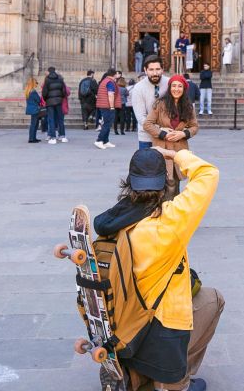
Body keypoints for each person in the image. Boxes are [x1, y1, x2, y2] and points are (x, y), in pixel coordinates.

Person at [93, 146, 224, 391]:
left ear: (129, 182)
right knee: (213, 299)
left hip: (125, 324)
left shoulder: (114, 221)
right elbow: (208, 174)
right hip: (162, 328)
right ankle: (176, 382)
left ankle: (134, 375)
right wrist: (174, 154)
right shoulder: (169, 222)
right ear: (163, 183)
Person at [143, 75, 199, 200]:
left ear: (184, 89)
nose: (176, 89)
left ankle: (173, 211)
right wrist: (163, 133)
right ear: (169, 88)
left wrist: (184, 133)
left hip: (179, 149)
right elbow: (147, 124)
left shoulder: (188, 107)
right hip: (162, 148)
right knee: (165, 182)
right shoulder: (160, 104)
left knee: (176, 181)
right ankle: (162, 210)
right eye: (174, 86)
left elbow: (194, 127)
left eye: (180, 86)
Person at [132, 56, 170, 150]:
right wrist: (160, 130)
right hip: (147, 138)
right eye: (151, 69)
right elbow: (141, 117)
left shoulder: (170, 83)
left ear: (162, 69)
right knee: (147, 164)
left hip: (169, 135)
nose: (155, 73)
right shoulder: (138, 88)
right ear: (145, 70)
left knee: (168, 164)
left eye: (158, 69)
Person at [95, 67, 121, 150]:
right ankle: (99, 140)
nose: (118, 75)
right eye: (117, 73)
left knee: (108, 123)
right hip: (107, 106)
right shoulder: (110, 82)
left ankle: (105, 141)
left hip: (103, 105)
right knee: (107, 123)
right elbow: (110, 95)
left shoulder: (105, 80)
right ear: (114, 74)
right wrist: (112, 106)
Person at [42, 66, 68, 144]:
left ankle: (53, 137)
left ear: (49, 71)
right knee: (60, 119)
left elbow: (44, 92)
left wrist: (47, 99)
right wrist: (60, 97)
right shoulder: (60, 79)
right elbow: (64, 91)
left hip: (50, 102)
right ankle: (62, 136)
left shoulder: (47, 80)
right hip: (59, 102)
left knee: (51, 119)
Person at [24, 77, 42, 143]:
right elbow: (38, 100)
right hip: (35, 109)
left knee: (33, 124)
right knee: (34, 124)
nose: (37, 84)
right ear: (33, 83)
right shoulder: (33, 92)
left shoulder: (27, 91)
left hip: (31, 109)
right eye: (36, 82)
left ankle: (33, 137)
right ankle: (32, 138)